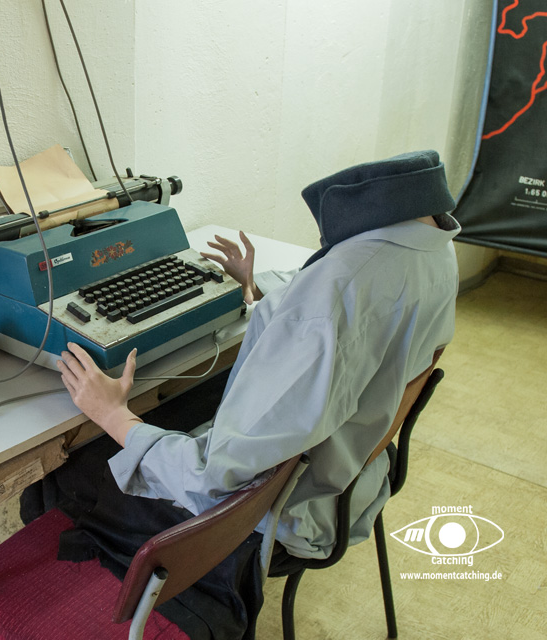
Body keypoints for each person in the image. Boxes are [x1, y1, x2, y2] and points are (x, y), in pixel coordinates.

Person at [46, 150, 462, 639]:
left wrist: (114, 415)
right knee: (184, 401)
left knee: (72, 469)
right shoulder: (435, 244)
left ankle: (73, 605)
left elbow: (213, 478)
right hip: (354, 470)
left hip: (283, 511)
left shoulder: (338, 289)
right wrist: (255, 286)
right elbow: (328, 299)